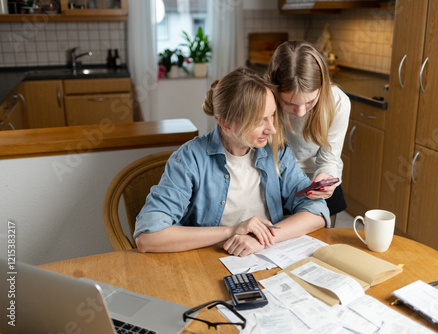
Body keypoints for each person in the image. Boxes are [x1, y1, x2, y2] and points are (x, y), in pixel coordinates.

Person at [134, 67, 330, 257]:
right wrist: (233, 231)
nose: (272, 130)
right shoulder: (189, 159)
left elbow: (317, 212)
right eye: (260, 121)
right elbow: (148, 238)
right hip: (206, 263)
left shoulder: (276, 151)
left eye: (272, 116)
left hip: (264, 257)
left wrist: (262, 238)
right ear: (226, 125)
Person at [266, 41, 351, 225]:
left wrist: (327, 178)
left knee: (322, 246)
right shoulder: (264, 100)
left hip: (315, 180)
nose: (300, 112)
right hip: (276, 179)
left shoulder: (338, 103)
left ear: (322, 87)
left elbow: (329, 159)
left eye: (310, 102)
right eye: (289, 104)